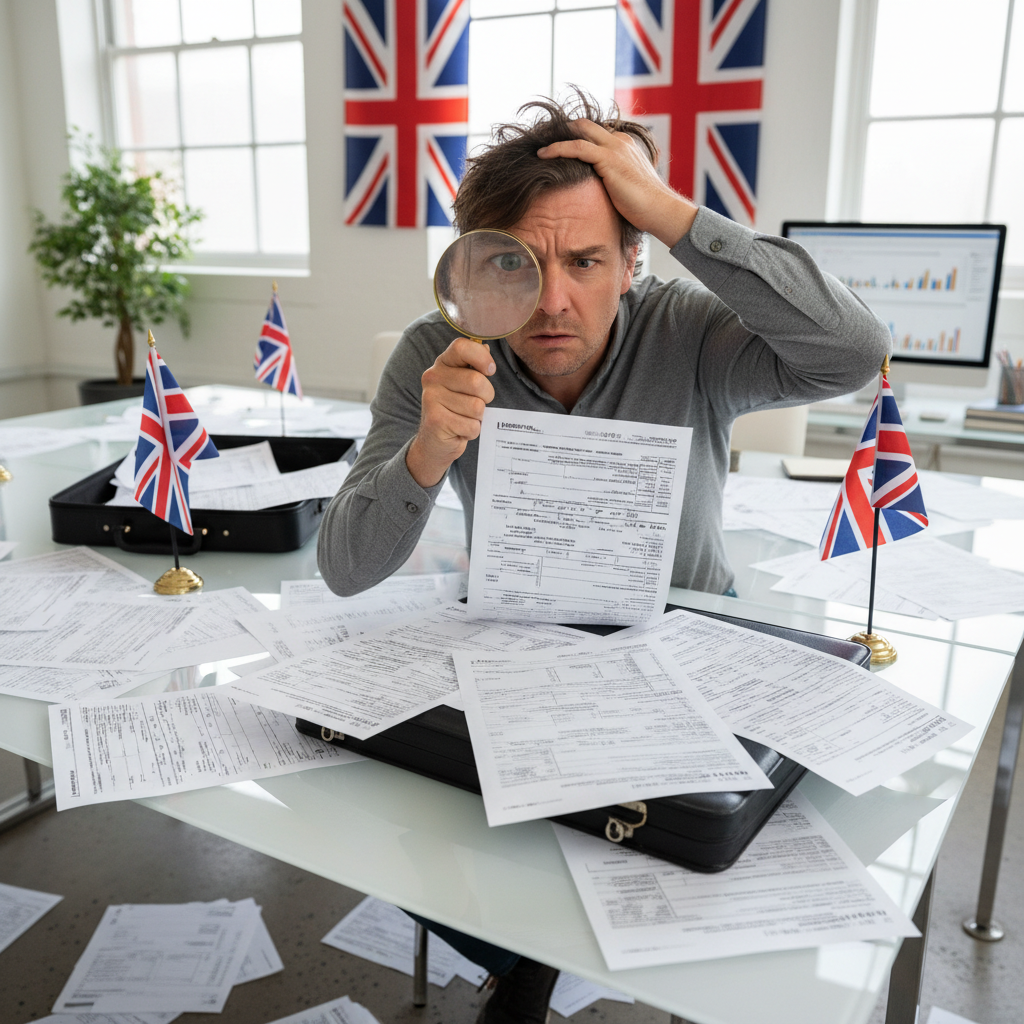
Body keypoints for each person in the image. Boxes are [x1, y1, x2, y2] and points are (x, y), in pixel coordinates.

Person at [318, 93, 890, 1023]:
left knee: (693, 862)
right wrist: (425, 450)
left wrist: (668, 209)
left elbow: (855, 352)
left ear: (632, 262)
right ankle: (526, 962)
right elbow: (345, 567)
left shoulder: (691, 331)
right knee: (420, 838)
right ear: (469, 269)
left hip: (688, 652)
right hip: (516, 653)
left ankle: (561, 963)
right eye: (514, 264)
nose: (551, 301)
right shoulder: (440, 351)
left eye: (586, 260)